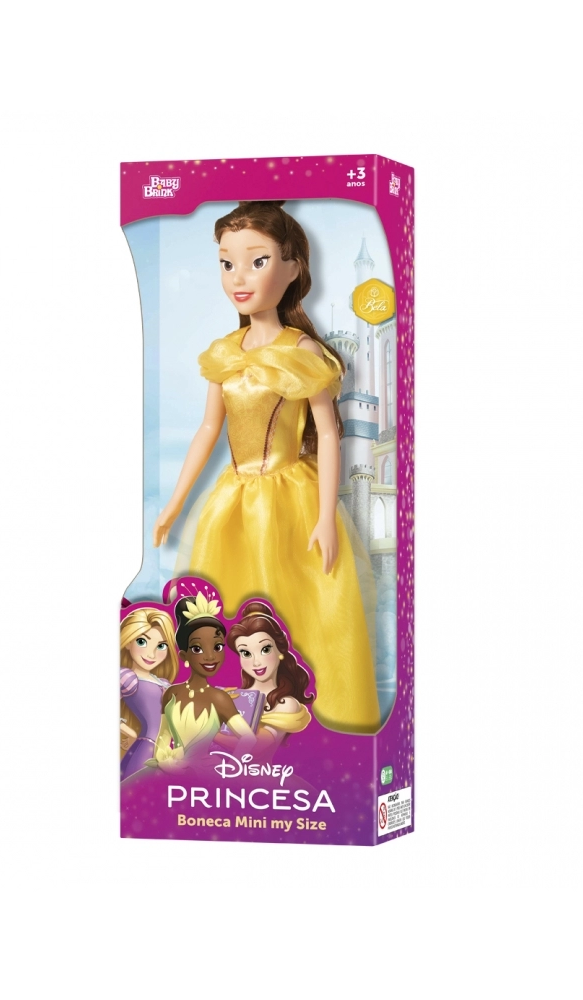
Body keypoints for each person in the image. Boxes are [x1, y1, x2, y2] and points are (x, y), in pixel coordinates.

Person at [153, 200, 380, 735]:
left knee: (304, 604)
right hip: (231, 502)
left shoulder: (301, 351)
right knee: (229, 606)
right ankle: (229, 727)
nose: (239, 277)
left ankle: (318, 722)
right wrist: (175, 504)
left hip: (291, 498)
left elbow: (328, 433)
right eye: (227, 263)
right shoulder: (224, 353)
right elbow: (208, 430)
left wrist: (325, 517)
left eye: (257, 261)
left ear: (293, 266)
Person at [145, 589, 257, 773]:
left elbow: (248, 738)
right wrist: (165, 762)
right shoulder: (172, 693)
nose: (210, 656)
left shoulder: (219, 698)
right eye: (197, 648)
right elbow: (163, 736)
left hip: (204, 771)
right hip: (171, 770)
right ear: (184, 655)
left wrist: (230, 765)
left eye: (217, 646)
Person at [223, 600, 313, 758]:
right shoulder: (235, 696)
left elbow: (256, 746)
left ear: (280, 650)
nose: (256, 662)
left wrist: (208, 734)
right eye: (246, 653)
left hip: (258, 772)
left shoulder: (286, 703)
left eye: (265, 649)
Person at [119, 607, 179, 780]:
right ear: (128, 642)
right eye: (142, 642)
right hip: (146, 749)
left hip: (168, 753)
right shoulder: (127, 677)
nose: (151, 654)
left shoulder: (164, 683)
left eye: (161, 646)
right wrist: (130, 733)